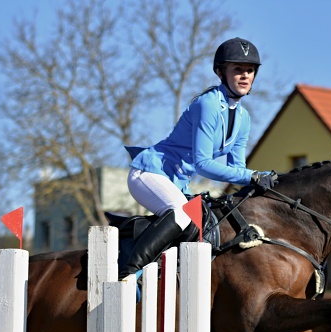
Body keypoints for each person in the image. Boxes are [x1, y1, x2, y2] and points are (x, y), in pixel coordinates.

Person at [119, 37, 279, 280]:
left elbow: (237, 169)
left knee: (203, 225)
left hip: (176, 183)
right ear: (220, 72)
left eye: (250, 70)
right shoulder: (208, 105)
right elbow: (204, 164)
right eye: (238, 69)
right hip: (149, 173)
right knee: (181, 214)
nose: (245, 76)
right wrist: (253, 175)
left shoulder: (244, 118)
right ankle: (130, 272)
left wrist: (262, 183)